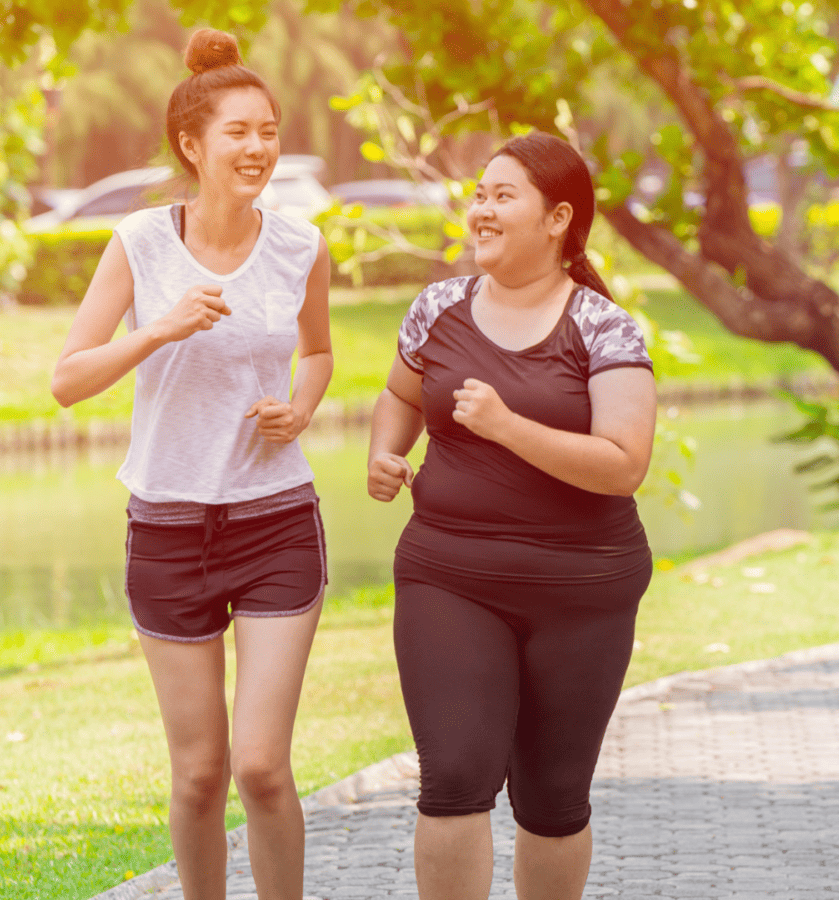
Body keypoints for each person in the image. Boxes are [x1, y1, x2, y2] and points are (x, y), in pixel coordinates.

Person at [51, 28, 332, 900]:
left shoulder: (300, 245)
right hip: (168, 527)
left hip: (276, 521)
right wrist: (161, 326)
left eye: (269, 131)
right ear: (192, 144)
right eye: (238, 132)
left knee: (261, 767)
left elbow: (318, 354)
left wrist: (302, 406)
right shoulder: (140, 242)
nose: (257, 149)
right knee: (200, 774)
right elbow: (67, 380)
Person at [367, 131, 657, 900]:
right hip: (448, 574)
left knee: (553, 800)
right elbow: (400, 394)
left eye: (503, 196)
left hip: (582, 589)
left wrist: (507, 427)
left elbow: (625, 463)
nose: (482, 210)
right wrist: (385, 453)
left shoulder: (605, 328)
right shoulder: (438, 307)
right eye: (479, 195)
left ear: (557, 218)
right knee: (455, 774)